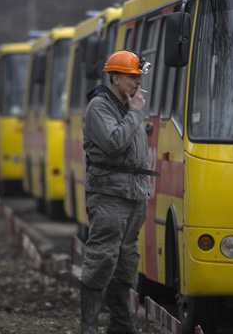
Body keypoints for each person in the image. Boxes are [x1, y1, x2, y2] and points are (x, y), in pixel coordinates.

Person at [79, 50, 158, 334]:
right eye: (132, 77)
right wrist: (136, 112)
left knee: (126, 260)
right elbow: (114, 143)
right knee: (103, 257)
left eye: (139, 78)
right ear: (115, 78)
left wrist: (134, 112)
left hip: (134, 194)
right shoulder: (100, 107)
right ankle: (88, 327)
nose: (137, 83)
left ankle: (121, 325)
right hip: (109, 194)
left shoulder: (127, 106)